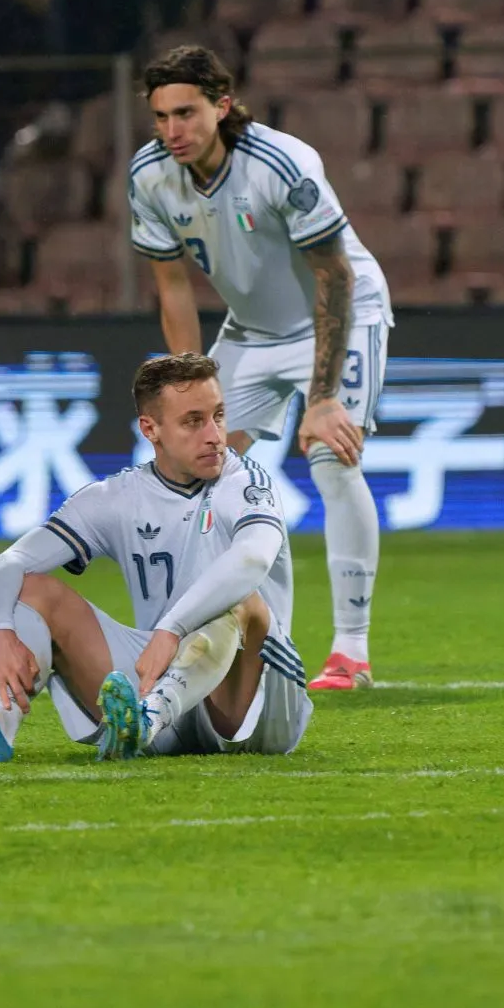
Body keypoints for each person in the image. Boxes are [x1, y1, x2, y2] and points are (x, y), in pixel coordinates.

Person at [132, 45, 392, 691]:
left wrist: (323, 397)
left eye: (186, 113)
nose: (173, 131)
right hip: (251, 331)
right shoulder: (150, 176)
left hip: (343, 313)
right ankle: (257, 636)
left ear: (222, 106)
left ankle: (350, 652)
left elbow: (333, 275)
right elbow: (172, 289)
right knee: (193, 469)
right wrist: (185, 386)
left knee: (332, 456)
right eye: (161, 117)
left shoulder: (281, 163)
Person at [0, 353, 312, 762]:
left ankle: (146, 721)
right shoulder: (115, 498)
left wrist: (170, 628)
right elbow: (8, 563)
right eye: (193, 421)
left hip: (253, 704)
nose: (214, 435)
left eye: (218, 416)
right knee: (30, 589)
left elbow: (252, 559)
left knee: (242, 601)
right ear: (151, 429)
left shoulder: (245, 483)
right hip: (162, 671)